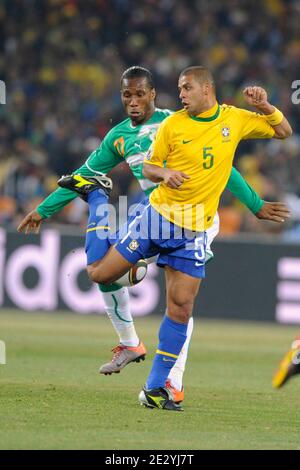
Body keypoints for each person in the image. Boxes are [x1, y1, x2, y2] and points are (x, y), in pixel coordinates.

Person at [17, 66, 290, 407]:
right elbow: (83, 175)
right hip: (154, 213)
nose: (132, 102)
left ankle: (167, 384)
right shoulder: (123, 136)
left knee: (180, 305)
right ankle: (130, 342)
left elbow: (225, 166)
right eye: (126, 95)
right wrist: (43, 210)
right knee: (101, 274)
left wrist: (254, 204)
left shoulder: (180, 120)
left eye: (138, 94)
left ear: (151, 95)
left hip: (198, 221)